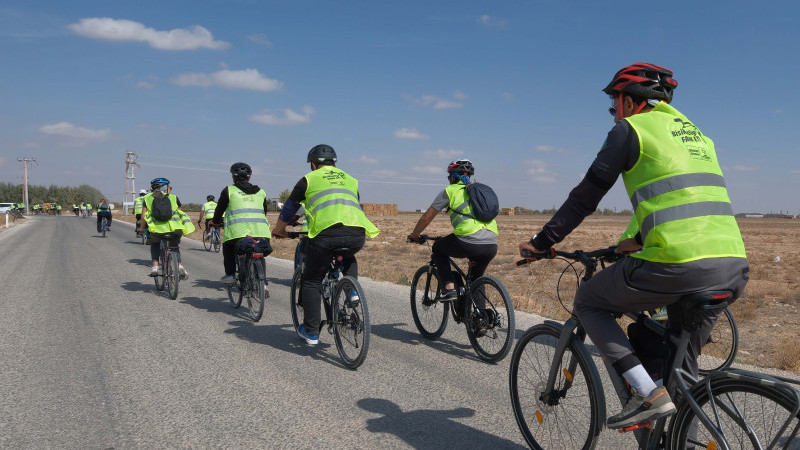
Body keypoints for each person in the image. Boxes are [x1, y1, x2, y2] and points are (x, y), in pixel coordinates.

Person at [518, 63, 748, 429]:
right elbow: (684, 200)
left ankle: (645, 394)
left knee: (589, 301)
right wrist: (637, 241)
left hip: (678, 264)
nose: (613, 115)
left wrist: (541, 242)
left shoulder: (631, 130)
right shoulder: (697, 135)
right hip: (733, 266)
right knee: (680, 379)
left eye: (613, 106)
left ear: (628, 100)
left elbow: (585, 197)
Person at [272, 144, 379, 345]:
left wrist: (279, 230)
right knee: (348, 255)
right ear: (334, 163)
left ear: (313, 164)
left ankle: (311, 332)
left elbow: (289, 208)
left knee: (311, 280)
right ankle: (351, 291)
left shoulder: (308, 179)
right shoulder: (350, 179)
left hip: (325, 235)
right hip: (357, 232)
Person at [407, 160, 498, 307]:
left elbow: (427, 216)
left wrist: (415, 234)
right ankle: (480, 321)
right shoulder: (479, 192)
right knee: (476, 279)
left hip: (467, 239)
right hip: (491, 241)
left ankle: (449, 288)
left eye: (449, 176)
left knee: (438, 248)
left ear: (453, 177)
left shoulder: (450, 191)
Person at [210, 163, 271, 285]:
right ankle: (263, 285)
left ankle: (231, 275)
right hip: (262, 232)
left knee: (227, 246)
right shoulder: (261, 192)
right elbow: (264, 211)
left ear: (233, 176)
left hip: (237, 233)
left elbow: (219, 210)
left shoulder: (229, 190)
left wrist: (215, 222)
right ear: (249, 177)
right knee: (258, 252)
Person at [140, 178, 194, 278]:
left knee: (155, 243)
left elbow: (143, 216)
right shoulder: (174, 197)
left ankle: (155, 267)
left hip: (157, 230)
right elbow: (180, 213)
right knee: (174, 246)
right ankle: (179, 265)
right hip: (175, 229)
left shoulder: (147, 198)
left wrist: (142, 228)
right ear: (167, 188)